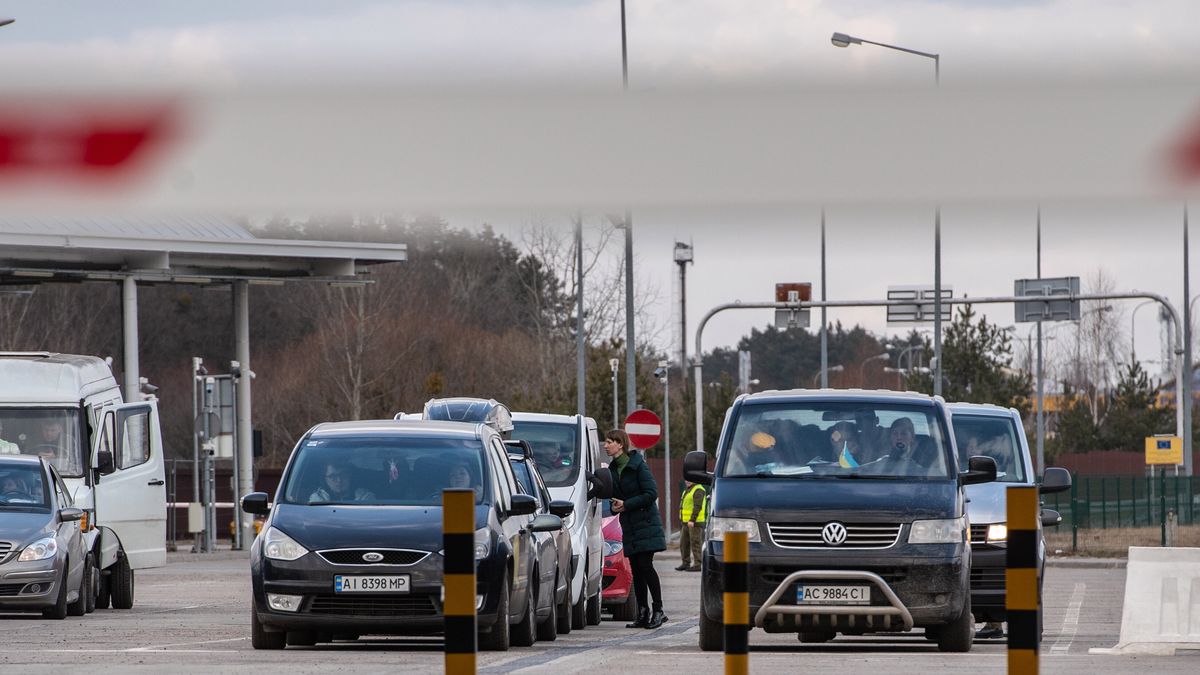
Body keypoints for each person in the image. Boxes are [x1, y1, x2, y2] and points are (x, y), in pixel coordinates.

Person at [605, 429, 667, 629]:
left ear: (620, 444)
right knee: (636, 570)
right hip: (630, 525)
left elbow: (651, 493)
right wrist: (615, 505)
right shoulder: (613, 469)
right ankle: (642, 612)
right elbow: (615, 496)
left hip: (646, 523)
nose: (605, 446)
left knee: (645, 566)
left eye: (609, 442)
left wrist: (627, 504)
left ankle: (658, 610)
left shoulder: (638, 465)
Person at [675, 479, 707, 572]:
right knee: (683, 544)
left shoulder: (698, 490)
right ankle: (685, 563)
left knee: (695, 543)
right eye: (686, 480)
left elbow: (697, 506)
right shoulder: (687, 490)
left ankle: (698, 564)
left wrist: (692, 520)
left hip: (695, 523)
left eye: (690, 480)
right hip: (686, 522)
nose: (687, 481)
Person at [309, 461, 376, 503]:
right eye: (332, 476)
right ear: (325, 479)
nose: (339, 480)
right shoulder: (318, 499)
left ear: (350, 476)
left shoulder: (365, 497)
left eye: (343, 475)